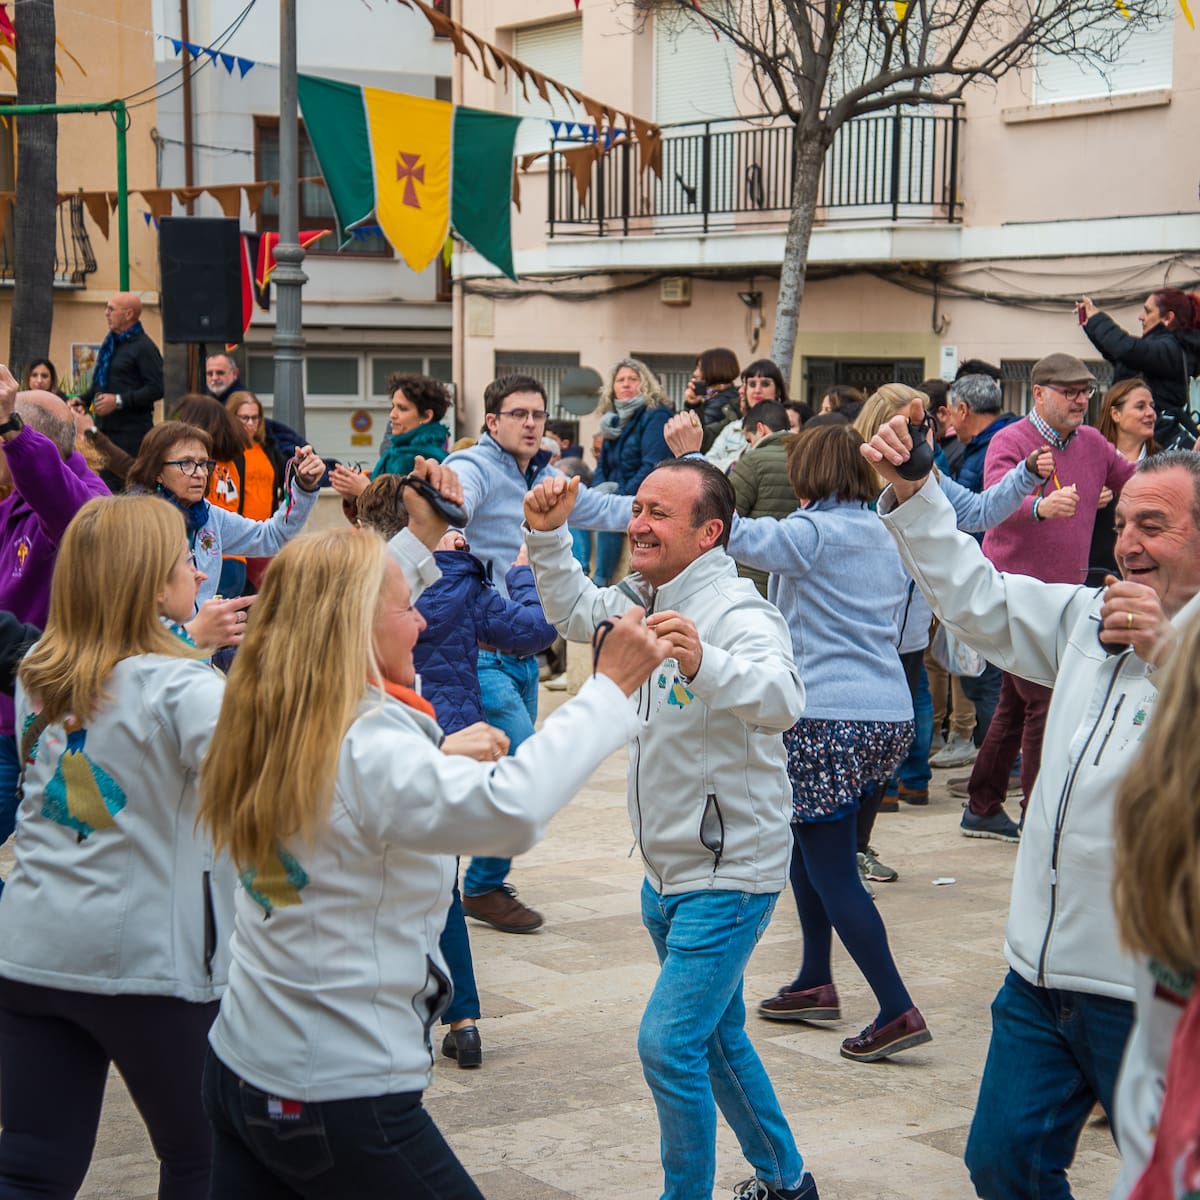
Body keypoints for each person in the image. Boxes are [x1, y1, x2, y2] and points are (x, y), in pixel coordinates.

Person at [197, 500, 669, 1199]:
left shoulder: (269, 710)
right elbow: (509, 812)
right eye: (405, 608)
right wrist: (607, 691)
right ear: (353, 629)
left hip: (242, 1065)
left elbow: (353, 798)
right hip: (333, 1087)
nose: (420, 622)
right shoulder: (366, 743)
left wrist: (439, 746)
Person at [862, 408, 1200, 1200]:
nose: (1129, 544)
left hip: (1151, 992)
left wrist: (1170, 655)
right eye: (1125, 524)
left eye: (1157, 526)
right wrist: (915, 488)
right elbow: (976, 596)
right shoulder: (1087, 619)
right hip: (1039, 980)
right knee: (1003, 1163)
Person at [523, 459, 818, 1200]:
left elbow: (784, 697)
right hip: (668, 873)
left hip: (730, 871)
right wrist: (550, 538)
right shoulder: (643, 593)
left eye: (658, 513)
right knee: (715, 1036)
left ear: (708, 531)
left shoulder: (739, 611)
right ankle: (786, 1183)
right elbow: (575, 615)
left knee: (669, 1043)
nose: (639, 523)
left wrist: (705, 660)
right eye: (638, 508)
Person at [0, 494, 229, 1199]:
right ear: (150, 581)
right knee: (207, 1157)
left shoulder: (39, 670)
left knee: (33, 1166)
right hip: (149, 965)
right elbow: (279, 789)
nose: (198, 572)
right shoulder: (182, 685)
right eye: (185, 560)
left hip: (32, 950)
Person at [354, 474, 558, 1070]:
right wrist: (523, 571)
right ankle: (463, 1018)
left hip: (381, 749)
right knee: (438, 882)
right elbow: (532, 632)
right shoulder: (462, 583)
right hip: (451, 747)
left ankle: (413, 1009)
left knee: (398, 884)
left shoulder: (348, 585)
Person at [442, 374, 635, 935]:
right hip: (479, 656)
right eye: (518, 413)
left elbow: (603, 508)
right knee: (528, 767)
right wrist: (449, 503)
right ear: (491, 421)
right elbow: (457, 500)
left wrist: (666, 507)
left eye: (538, 414)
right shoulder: (475, 469)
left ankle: (469, 879)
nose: (531, 422)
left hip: (524, 656)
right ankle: (477, 884)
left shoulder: (548, 478)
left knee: (498, 769)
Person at [958, 354, 1136, 842]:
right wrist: (1037, 506)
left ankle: (982, 805)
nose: (1081, 399)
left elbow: (1133, 481)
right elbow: (991, 504)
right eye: (1069, 390)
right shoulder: (1010, 440)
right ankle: (1041, 818)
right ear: (1038, 393)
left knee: (1018, 707)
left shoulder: (1095, 443)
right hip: (1014, 597)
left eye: (1085, 391)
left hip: (1067, 597)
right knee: (1047, 702)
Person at [0, 369, 110, 888]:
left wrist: (10, 431)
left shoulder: (78, 499)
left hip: (31, 722)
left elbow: (59, 499)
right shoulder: (6, 498)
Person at [125, 421, 325, 653]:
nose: (200, 474)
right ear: (157, 471)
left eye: (204, 464)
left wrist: (303, 486)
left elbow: (272, 536)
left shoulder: (210, 515)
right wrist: (192, 633)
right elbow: (128, 613)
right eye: (186, 464)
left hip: (201, 658)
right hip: (152, 659)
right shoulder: (136, 524)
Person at [1080, 289, 1200, 447]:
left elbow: (1126, 349)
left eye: (1148, 311)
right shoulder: (1161, 348)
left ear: (1168, 318)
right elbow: (1119, 354)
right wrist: (1089, 323)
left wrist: (1096, 318)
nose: (1140, 316)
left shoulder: (1169, 348)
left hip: (1156, 443)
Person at [591, 358, 673, 587]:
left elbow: (653, 465)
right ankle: (583, 570)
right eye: (620, 380)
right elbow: (601, 467)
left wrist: (619, 497)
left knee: (606, 514)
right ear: (612, 388)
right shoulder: (613, 422)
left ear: (645, 384)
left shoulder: (655, 415)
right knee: (577, 511)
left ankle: (601, 581)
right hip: (617, 492)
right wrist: (598, 492)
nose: (626, 384)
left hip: (642, 497)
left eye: (632, 379)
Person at [81, 292, 163, 487]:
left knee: (125, 491)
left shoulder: (144, 347)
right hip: (104, 434)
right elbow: (99, 387)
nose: (105, 313)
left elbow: (157, 388)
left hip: (131, 438)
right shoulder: (111, 344)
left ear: (128, 314)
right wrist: (82, 401)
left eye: (111, 309)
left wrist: (118, 401)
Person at [330, 375, 452, 506]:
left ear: (427, 416)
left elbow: (405, 518)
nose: (392, 415)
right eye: (393, 406)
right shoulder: (396, 451)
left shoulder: (427, 459)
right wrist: (352, 494)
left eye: (402, 408)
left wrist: (365, 490)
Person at [1086, 378, 1159, 587]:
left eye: (1152, 406)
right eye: (1140, 406)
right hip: (1092, 580)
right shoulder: (1089, 460)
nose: (1150, 413)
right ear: (1115, 414)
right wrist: (1087, 498)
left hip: (1148, 579)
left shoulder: (1163, 463)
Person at [728, 399, 795, 596]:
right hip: (792, 577)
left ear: (761, 429)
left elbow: (727, 513)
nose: (750, 446)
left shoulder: (753, 461)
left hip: (753, 574)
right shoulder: (808, 455)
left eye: (749, 440)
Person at [705, 358, 789, 473]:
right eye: (752, 384)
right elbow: (708, 463)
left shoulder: (790, 423)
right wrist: (732, 466)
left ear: (778, 391)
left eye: (765, 384)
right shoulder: (732, 429)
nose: (757, 390)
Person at [683, 347, 741, 451]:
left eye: (699, 368)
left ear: (715, 368)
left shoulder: (721, 402)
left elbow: (696, 435)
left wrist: (693, 406)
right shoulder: (714, 397)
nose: (695, 373)